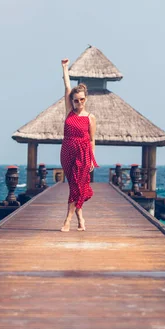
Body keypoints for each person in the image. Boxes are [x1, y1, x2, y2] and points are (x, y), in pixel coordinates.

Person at [59, 58, 98, 232]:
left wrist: (91, 159)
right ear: (72, 101)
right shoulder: (69, 112)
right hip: (67, 151)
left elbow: (91, 140)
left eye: (82, 100)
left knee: (77, 186)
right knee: (73, 185)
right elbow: (67, 88)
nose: (79, 103)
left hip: (83, 153)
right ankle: (81, 219)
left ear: (86, 99)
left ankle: (68, 219)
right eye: (76, 100)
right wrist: (65, 68)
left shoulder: (91, 118)